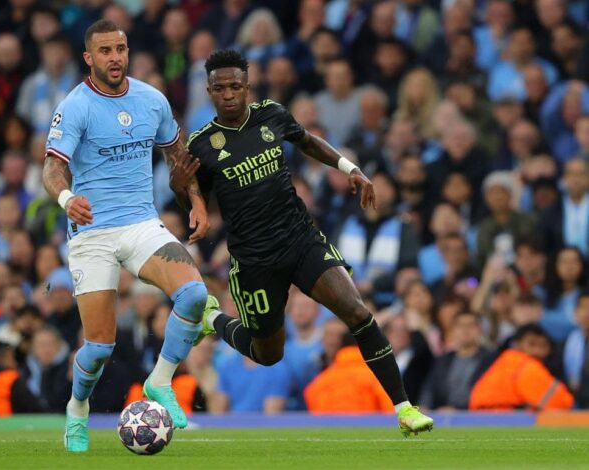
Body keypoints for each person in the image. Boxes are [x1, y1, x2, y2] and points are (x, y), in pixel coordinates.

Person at [171, 49, 432, 436]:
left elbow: (307, 141)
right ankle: (212, 318)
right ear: (209, 91)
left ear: (247, 86)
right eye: (220, 88)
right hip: (255, 259)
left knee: (358, 313)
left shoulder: (271, 115)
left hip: (300, 238)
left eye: (235, 86)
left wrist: (349, 167)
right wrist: (181, 189)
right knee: (268, 353)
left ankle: (405, 408)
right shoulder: (202, 144)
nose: (228, 94)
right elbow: (194, 198)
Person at [42, 20, 216, 452]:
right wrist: (66, 198)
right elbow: (52, 167)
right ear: (89, 57)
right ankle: (77, 409)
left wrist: (196, 201)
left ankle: (159, 381)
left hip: (140, 224)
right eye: (105, 51)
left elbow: (178, 155)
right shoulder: (76, 106)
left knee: (194, 295)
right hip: (92, 232)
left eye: (120, 49)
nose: (115, 57)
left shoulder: (151, 100)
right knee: (100, 347)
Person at [469, 323, 573, 411]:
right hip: (502, 420)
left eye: (543, 346)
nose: (537, 351)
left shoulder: (504, 361)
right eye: (532, 344)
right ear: (517, 345)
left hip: (477, 419)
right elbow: (561, 403)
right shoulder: (525, 365)